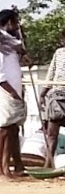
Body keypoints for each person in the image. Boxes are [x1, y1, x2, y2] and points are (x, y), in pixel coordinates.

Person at [0, 10, 26, 182]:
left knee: (11, 129)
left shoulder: (6, 40)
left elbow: (19, 46)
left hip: (14, 91)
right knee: (2, 130)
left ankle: (6, 169)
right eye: (15, 22)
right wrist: (11, 92)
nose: (17, 25)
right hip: (5, 90)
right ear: (8, 22)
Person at [38, 30, 65, 170]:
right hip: (57, 97)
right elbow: (51, 73)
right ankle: (48, 164)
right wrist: (43, 93)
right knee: (52, 134)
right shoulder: (59, 53)